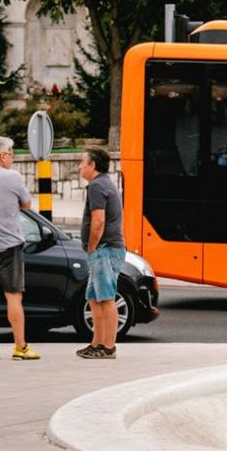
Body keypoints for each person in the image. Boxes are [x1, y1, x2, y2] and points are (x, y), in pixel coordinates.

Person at [0, 135, 38, 361]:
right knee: (13, 297)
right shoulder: (12, 177)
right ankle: (21, 346)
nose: (12, 159)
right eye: (11, 154)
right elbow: (27, 204)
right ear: (1, 156)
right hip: (9, 247)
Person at [77, 146, 125, 360]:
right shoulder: (103, 183)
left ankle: (108, 347)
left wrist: (92, 246)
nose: (79, 166)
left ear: (92, 165)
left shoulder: (97, 186)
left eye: (82, 162)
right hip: (104, 249)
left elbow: (99, 221)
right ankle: (96, 343)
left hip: (104, 249)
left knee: (105, 298)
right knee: (94, 299)